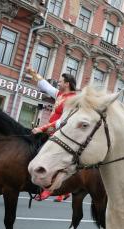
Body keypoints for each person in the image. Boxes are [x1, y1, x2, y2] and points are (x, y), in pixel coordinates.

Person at [27, 68, 77, 202]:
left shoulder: (72, 99)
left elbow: (63, 121)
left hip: (61, 133)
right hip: (50, 130)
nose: (58, 83)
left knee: (49, 159)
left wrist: (42, 128)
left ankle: (50, 188)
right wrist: (33, 73)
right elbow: (47, 87)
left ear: (67, 84)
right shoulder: (60, 94)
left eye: (60, 81)